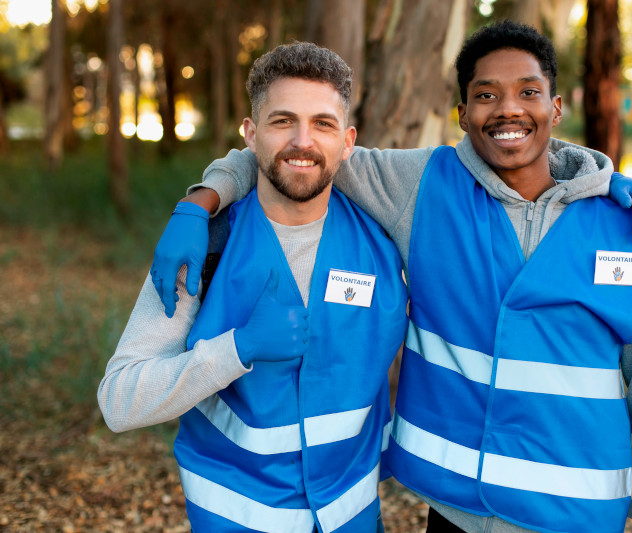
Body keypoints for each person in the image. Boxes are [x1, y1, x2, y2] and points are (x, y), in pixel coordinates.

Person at [152, 21, 632, 533]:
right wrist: (202, 201)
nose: (508, 109)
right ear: (462, 113)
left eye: (528, 93)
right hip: (454, 515)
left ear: (555, 107)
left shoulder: (629, 226)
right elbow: (298, 151)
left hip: (576, 518)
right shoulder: (420, 187)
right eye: (486, 94)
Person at [97, 42, 409, 533]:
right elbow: (119, 400)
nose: (302, 141)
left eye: (322, 124)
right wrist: (234, 349)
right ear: (251, 134)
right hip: (235, 518)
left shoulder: (388, 240)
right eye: (282, 121)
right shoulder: (208, 247)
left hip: (352, 516)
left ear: (348, 141)